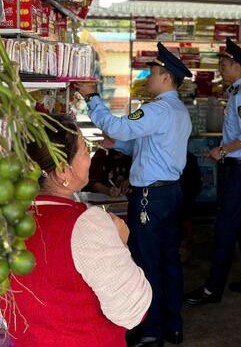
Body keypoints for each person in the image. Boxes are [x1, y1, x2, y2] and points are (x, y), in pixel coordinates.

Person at [75, 42, 192, 347]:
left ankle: (151, 330)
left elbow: (118, 126)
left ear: (165, 77)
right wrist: (117, 145)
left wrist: (91, 97)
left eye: (151, 72)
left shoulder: (156, 110)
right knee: (169, 260)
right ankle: (173, 325)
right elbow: (150, 146)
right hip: (171, 193)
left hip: (150, 198)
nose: (147, 77)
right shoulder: (178, 110)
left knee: (147, 261)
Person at [1, 116, 151, 347]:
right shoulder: (86, 225)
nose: (89, 156)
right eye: (84, 150)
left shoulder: (3, 221)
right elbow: (132, 311)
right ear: (63, 170)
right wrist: (122, 243)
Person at [186, 38, 241, 306]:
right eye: (221, 62)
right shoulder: (239, 92)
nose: (221, 66)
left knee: (225, 228)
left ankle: (212, 289)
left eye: (225, 63)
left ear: (237, 66)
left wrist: (223, 150)